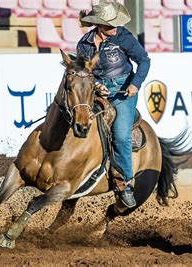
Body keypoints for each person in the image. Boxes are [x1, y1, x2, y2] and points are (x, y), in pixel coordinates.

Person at [77, 1, 151, 208]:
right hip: (96, 92)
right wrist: (97, 85)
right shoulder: (84, 44)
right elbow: (84, 72)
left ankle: (125, 184)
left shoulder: (124, 37)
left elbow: (144, 61)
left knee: (121, 135)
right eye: (111, 25)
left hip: (123, 92)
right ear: (99, 25)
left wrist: (135, 84)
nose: (115, 27)